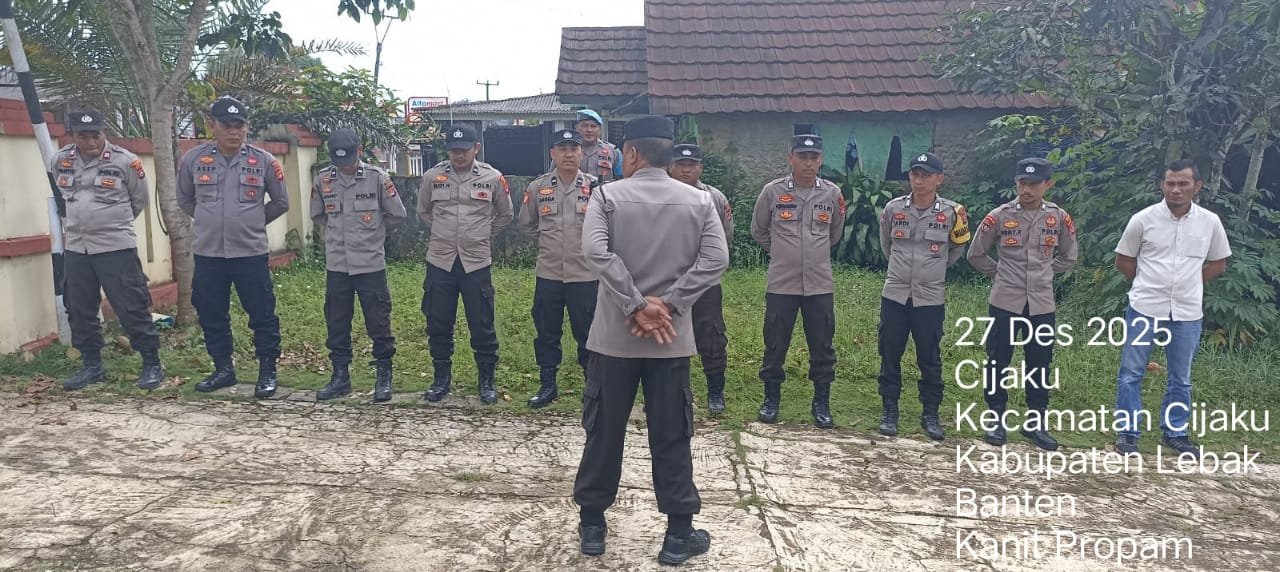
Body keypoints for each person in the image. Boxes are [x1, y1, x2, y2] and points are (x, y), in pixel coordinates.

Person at [573, 115, 728, 566]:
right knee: (672, 433)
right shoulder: (699, 201)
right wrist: (670, 305)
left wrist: (634, 305)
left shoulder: (606, 196)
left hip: (613, 340)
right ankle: (678, 534)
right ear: (669, 154)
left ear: (633, 153)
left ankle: (593, 526)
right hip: (669, 340)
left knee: (603, 431)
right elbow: (716, 259)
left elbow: (595, 252)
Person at [1113, 159, 1231, 459]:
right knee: (1131, 373)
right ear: (1162, 185)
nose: (1176, 190)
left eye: (1183, 184)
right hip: (1145, 307)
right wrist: (1147, 283)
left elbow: (1218, 263)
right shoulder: (1143, 219)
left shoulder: (1210, 222)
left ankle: (1175, 433)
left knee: (1181, 378)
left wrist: (1190, 284)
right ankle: (1127, 433)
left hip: (1187, 312)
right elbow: (1124, 260)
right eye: (1170, 183)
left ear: (1197, 186)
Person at [177, 96, 289, 399]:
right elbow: (185, 199)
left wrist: (252, 221)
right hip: (209, 253)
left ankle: (267, 371)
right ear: (212, 125)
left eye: (239, 125)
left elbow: (281, 202)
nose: (234, 131)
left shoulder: (264, 161)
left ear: (246, 127)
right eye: (227, 125)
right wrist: (209, 219)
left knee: (262, 314)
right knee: (212, 313)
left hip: (249, 253)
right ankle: (223, 369)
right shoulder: (193, 160)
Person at [966, 158, 1078, 450]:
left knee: (1039, 363)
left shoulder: (1058, 217)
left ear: (1048, 184)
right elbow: (975, 254)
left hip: (1041, 304)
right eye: (1022, 183)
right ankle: (996, 418)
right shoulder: (999, 216)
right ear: (1016, 183)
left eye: (1033, 184)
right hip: (1006, 300)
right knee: (998, 360)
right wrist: (999, 273)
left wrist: (1045, 272)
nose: (1026, 189)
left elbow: (1070, 256)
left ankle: (1036, 422)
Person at [53, 109, 164, 391]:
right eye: (83, 136)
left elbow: (139, 200)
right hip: (77, 248)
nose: (91, 142)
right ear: (72, 135)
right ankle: (92, 365)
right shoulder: (61, 160)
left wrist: (109, 224)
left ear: (104, 132)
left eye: (96, 135)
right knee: (79, 308)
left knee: (131, 305)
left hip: (116, 248)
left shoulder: (125, 161)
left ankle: (151, 363)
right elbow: (63, 199)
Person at [749, 135, 844, 428]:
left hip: (819, 285)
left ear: (821, 160)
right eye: (802, 157)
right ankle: (771, 399)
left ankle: (821, 403)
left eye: (814, 158)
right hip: (782, 283)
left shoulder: (832, 194)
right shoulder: (773, 191)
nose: (808, 163)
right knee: (775, 343)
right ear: (791, 158)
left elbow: (834, 234)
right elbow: (759, 230)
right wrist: (782, 252)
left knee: (822, 345)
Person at [417, 124, 514, 404]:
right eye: (453, 150)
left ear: (476, 148)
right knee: (438, 323)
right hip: (441, 261)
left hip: (476, 263)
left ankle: (486, 381)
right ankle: (440, 380)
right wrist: (444, 232)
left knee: (482, 324)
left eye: (464, 150)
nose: (459, 155)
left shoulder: (493, 177)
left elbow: (505, 214)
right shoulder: (432, 176)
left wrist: (482, 234)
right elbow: (423, 211)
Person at [876, 152, 970, 440]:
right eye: (915, 174)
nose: (919, 180)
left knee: (929, 357)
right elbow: (886, 245)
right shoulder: (893, 209)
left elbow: (957, 249)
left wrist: (933, 270)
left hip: (929, 298)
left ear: (939, 179)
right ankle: (890, 409)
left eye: (926, 175)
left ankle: (930, 413)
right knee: (890, 353)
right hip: (895, 294)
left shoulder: (953, 213)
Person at [310, 129, 407, 402]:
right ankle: (340, 377)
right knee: (337, 322)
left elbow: (397, 215)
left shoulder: (377, 178)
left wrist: (373, 233)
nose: (346, 166)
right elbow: (318, 215)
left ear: (360, 151)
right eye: (340, 161)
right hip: (338, 265)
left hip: (370, 264)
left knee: (378, 322)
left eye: (350, 159)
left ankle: (384, 375)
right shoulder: (323, 180)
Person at [517, 129, 597, 408]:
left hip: (585, 274)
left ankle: (593, 386)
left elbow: (607, 228)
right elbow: (526, 225)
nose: (568, 154)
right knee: (546, 331)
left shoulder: (596, 188)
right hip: (549, 273)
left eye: (573, 149)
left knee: (588, 333)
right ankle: (547, 385)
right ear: (553, 153)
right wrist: (548, 243)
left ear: (581, 153)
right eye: (562, 149)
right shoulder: (537, 187)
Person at [669, 143, 734, 413]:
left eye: (692, 165)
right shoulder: (661, 195)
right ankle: (672, 390)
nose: (686, 170)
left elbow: (726, 237)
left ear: (701, 168)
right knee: (669, 336)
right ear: (670, 167)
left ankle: (715, 391)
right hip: (669, 279)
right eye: (681, 165)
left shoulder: (714, 198)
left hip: (705, 281)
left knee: (711, 335)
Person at [575, 110, 622, 183]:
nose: (589, 130)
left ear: (600, 129)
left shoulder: (614, 151)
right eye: (584, 126)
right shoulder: (567, 151)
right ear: (577, 128)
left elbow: (621, 179)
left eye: (593, 126)